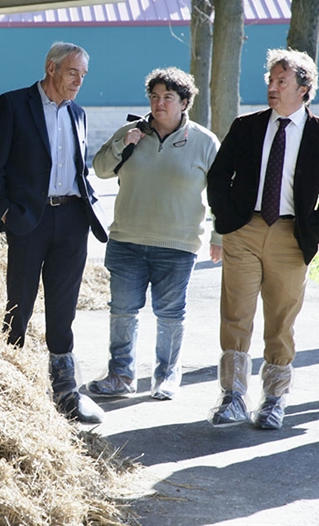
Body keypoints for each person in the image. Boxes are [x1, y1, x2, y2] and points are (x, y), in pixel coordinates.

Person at [206, 48, 319, 429]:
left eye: (281, 81)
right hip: (245, 231)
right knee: (236, 313)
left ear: (304, 88)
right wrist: (228, 221)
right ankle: (232, 396)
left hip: (290, 236)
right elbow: (218, 177)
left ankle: (274, 398)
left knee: (281, 319)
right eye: (270, 80)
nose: (272, 86)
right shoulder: (246, 126)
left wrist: (311, 233)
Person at [0, 41, 109, 423]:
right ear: (51, 68)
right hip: (28, 220)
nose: (79, 82)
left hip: (72, 220)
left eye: (83, 76)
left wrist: (89, 208)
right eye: (73, 73)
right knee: (19, 302)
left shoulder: (79, 114)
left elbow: (79, 169)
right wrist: (5, 213)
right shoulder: (13, 104)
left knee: (63, 308)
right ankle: (11, 387)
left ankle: (66, 393)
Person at [88, 67, 221, 401]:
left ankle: (166, 376)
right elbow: (101, 169)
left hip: (177, 245)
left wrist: (219, 236)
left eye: (168, 98)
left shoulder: (205, 142)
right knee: (122, 311)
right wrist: (123, 142)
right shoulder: (130, 132)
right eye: (154, 97)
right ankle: (120, 375)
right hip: (126, 240)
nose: (159, 104)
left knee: (170, 314)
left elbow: (221, 194)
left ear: (185, 102)